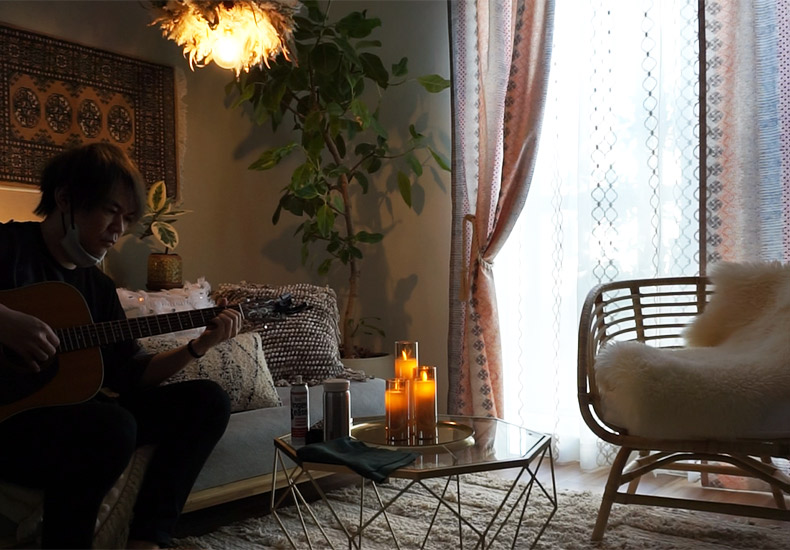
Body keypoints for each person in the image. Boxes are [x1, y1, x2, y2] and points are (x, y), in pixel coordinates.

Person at [0, 143, 242, 549]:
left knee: (208, 401)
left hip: (70, 421)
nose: (119, 229)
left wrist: (198, 346)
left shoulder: (97, 287)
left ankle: (147, 540)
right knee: (110, 426)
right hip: (11, 426)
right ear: (65, 199)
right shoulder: (9, 246)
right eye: (111, 211)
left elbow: (132, 375)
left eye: (128, 218)